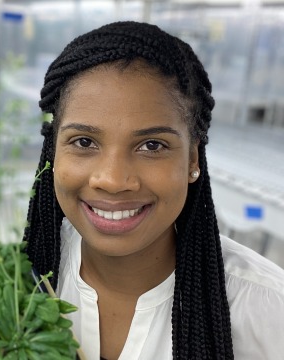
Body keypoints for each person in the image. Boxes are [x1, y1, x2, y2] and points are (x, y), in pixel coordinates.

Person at [23, 21, 284, 360]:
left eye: (151, 145)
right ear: (53, 153)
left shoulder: (269, 311)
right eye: (84, 141)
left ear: (192, 158)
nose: (113, 180)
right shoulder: (29, 274)